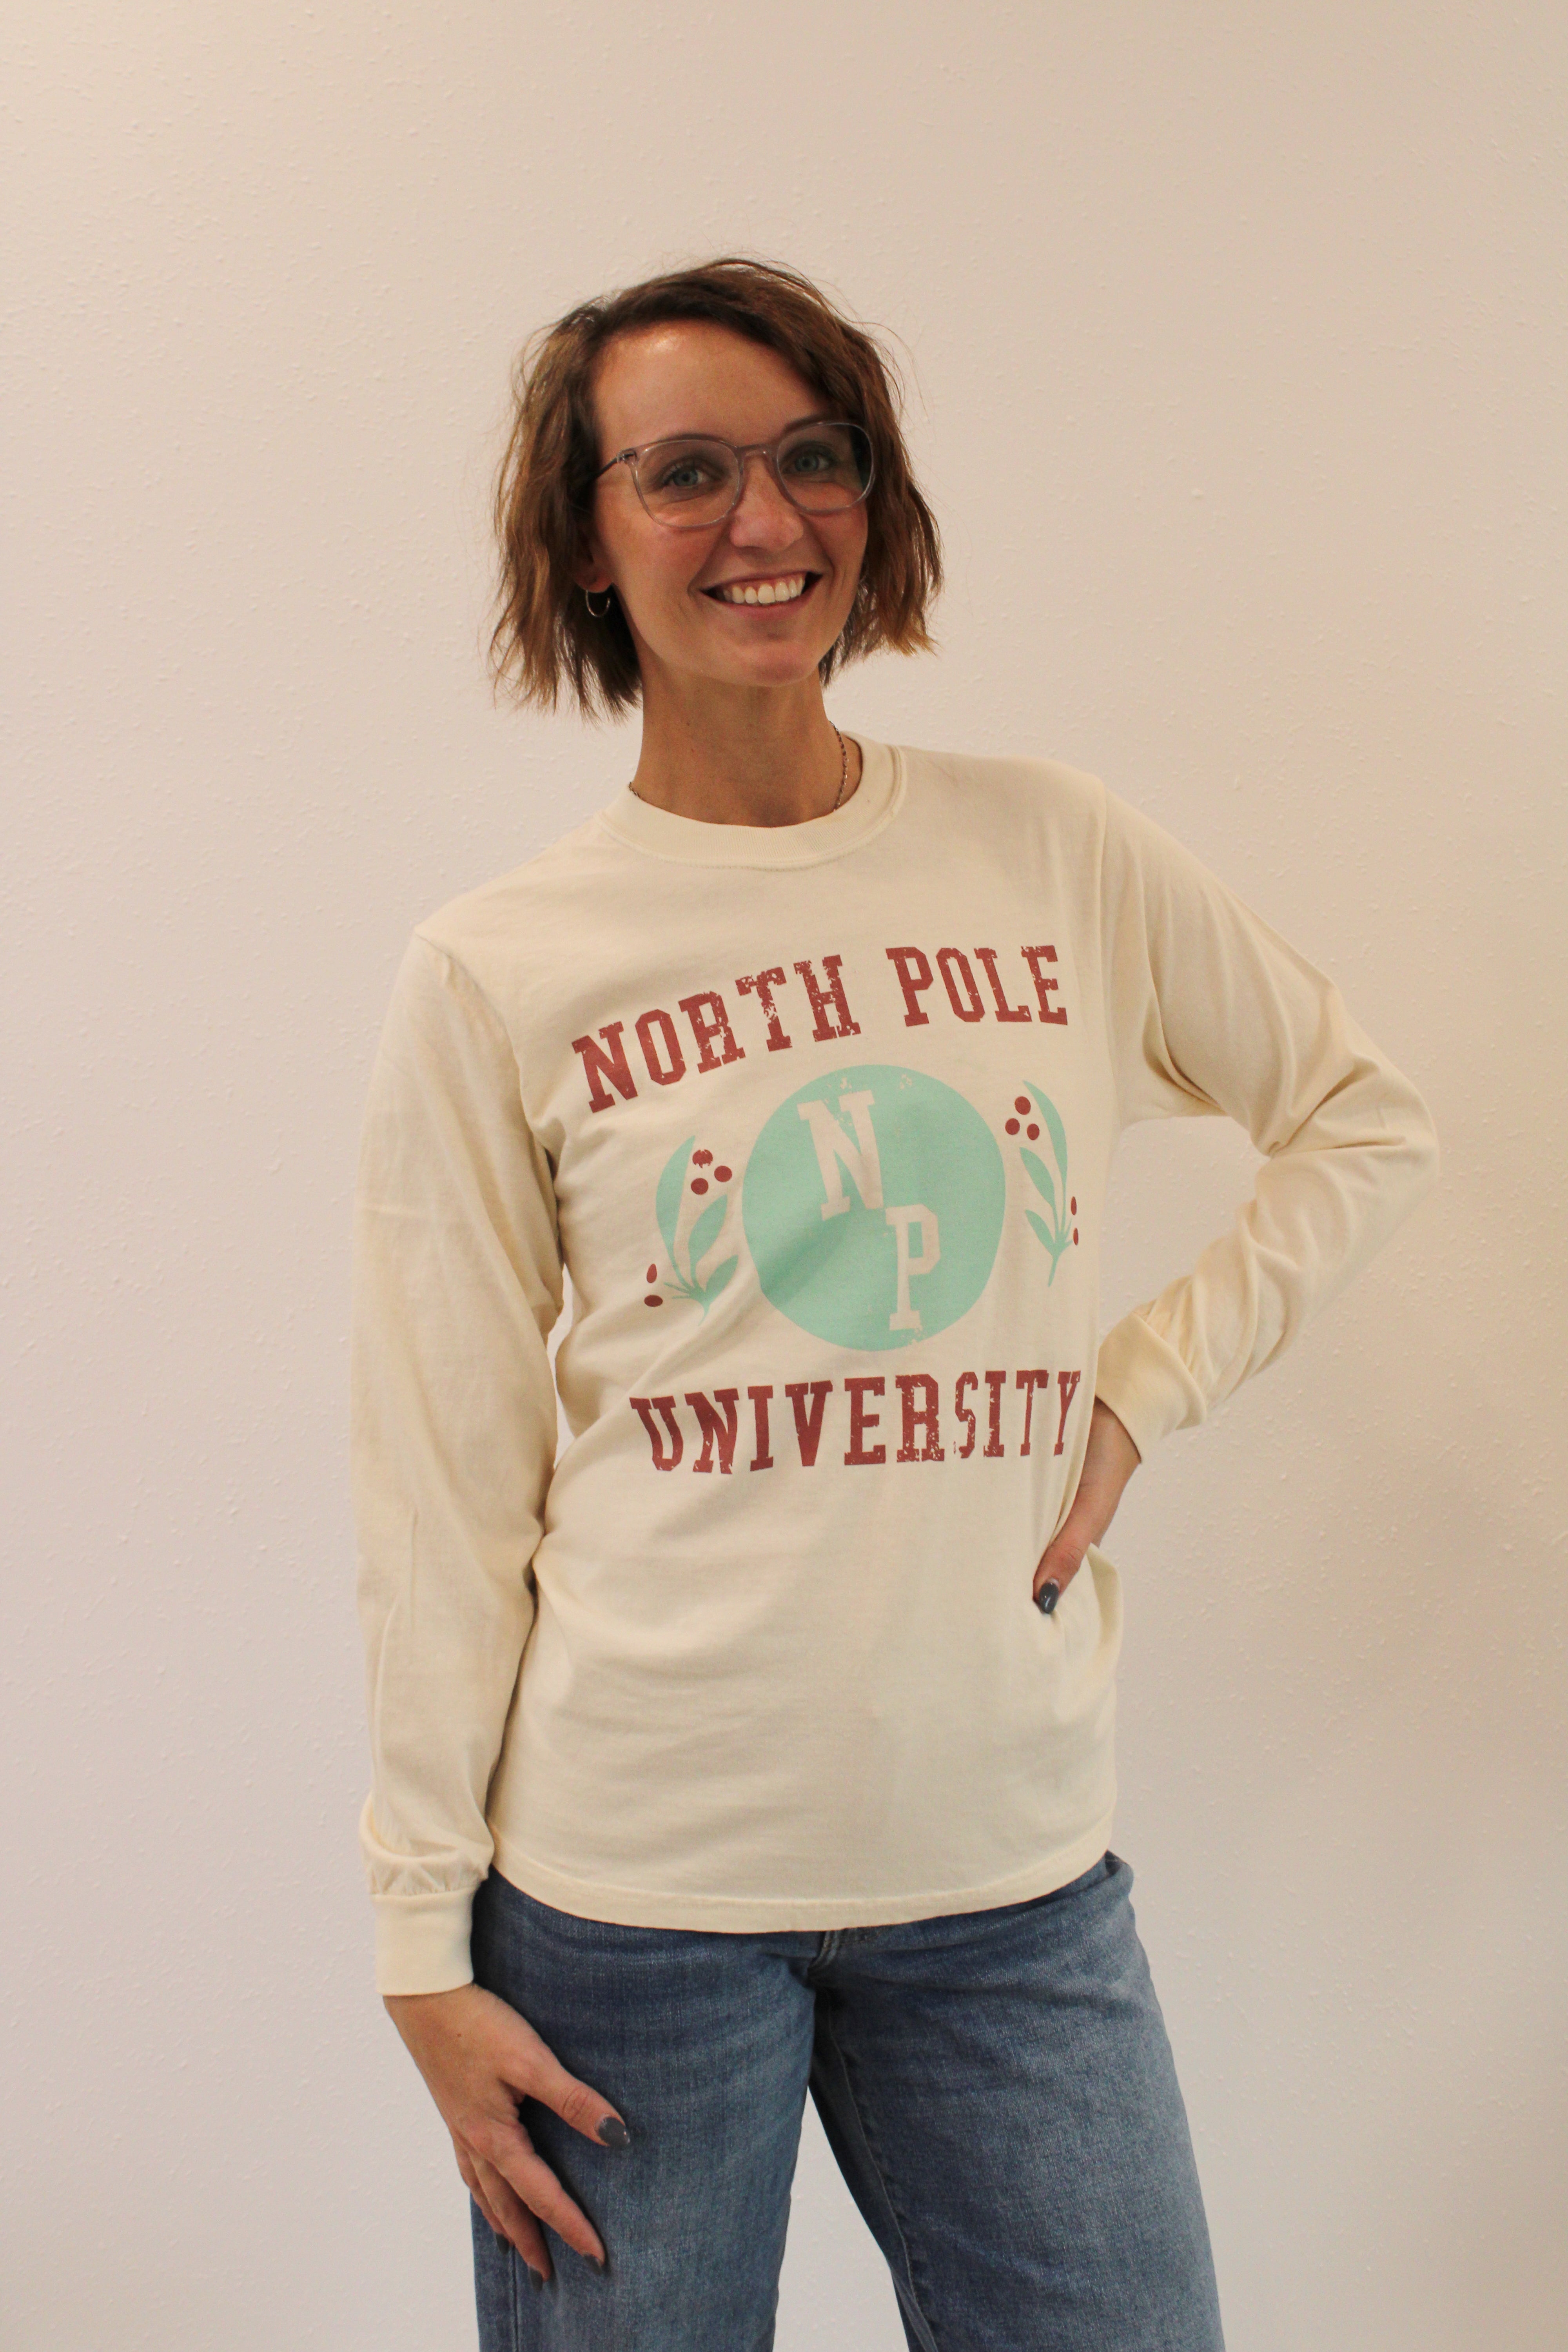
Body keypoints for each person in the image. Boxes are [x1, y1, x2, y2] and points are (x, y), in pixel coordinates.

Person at [349, 256, 1439, 2350]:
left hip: (1008, 1876)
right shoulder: (503, 967)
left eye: (814, 457)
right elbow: (441, 1480)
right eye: (684, 473)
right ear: (583, 539)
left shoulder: (1056, 855)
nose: (764, 522)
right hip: (630, 1905)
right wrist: (420, 1939)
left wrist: (1137, 1388)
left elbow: (1358, 1121)